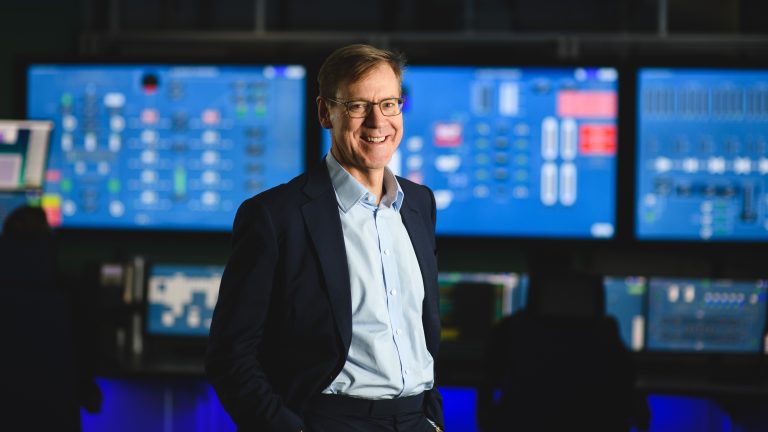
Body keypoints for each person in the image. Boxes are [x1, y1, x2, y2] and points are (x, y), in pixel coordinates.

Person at [206, 44, 444, 432]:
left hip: (416, 419)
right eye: (356, 106)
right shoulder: (275, 216)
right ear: (324, 112)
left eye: (389, 104)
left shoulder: (420, 204)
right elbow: (229, 355)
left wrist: (432, 417)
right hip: (331, 420)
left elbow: (421, 331)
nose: (376, 121)